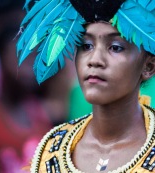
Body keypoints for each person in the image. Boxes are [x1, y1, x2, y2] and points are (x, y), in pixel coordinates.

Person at [16, 0, 155, 172]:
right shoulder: (49, 151)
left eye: (115, 47)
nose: (95, 60)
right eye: (86, 46)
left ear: (148, 67)